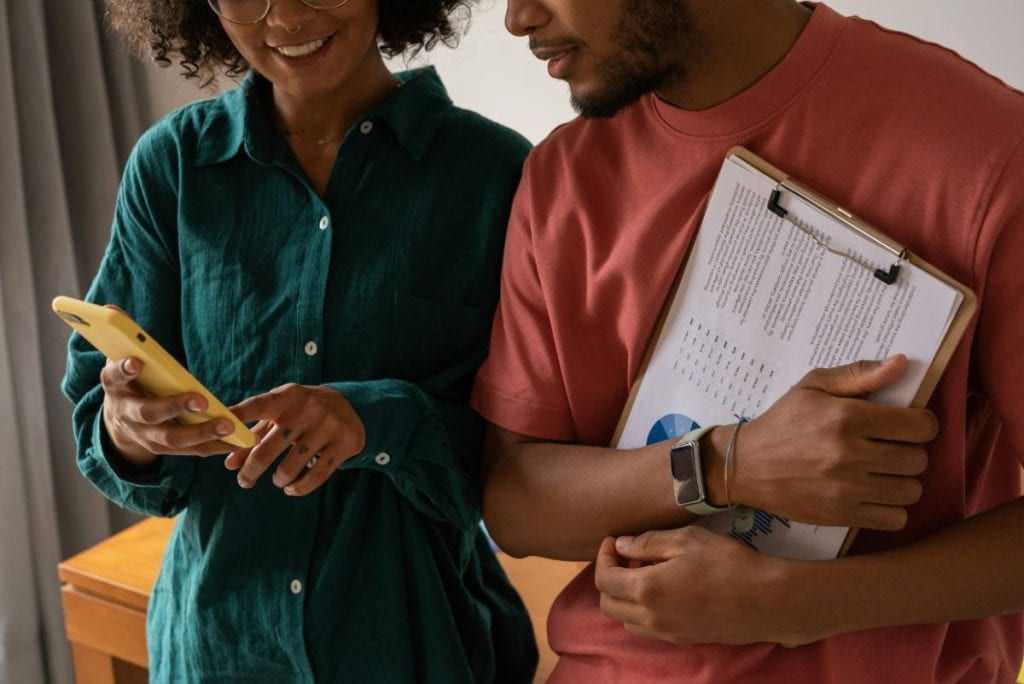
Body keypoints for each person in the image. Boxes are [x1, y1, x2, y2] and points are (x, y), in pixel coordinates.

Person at [472, 0, 1024, 681]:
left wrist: (798, 604)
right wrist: (726, 462)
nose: (517, 18)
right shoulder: (563, 176)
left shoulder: (989, 151)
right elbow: (515, 501)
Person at [61, 0, 538, 681]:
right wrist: (130, 428)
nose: (283, 17)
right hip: (220, 647)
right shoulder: (173, 169)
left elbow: (529, 458)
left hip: (419, 642)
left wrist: (377, 419)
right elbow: (100, 416)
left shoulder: (496, 174)